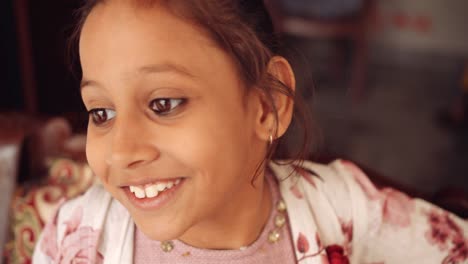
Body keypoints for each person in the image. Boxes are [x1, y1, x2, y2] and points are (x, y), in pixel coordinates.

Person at [33, 0, 468, 263]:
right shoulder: (75, 236)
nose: (122, 151)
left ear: (267, 106)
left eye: (163, 104)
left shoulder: (348, 212)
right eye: (102, 113)